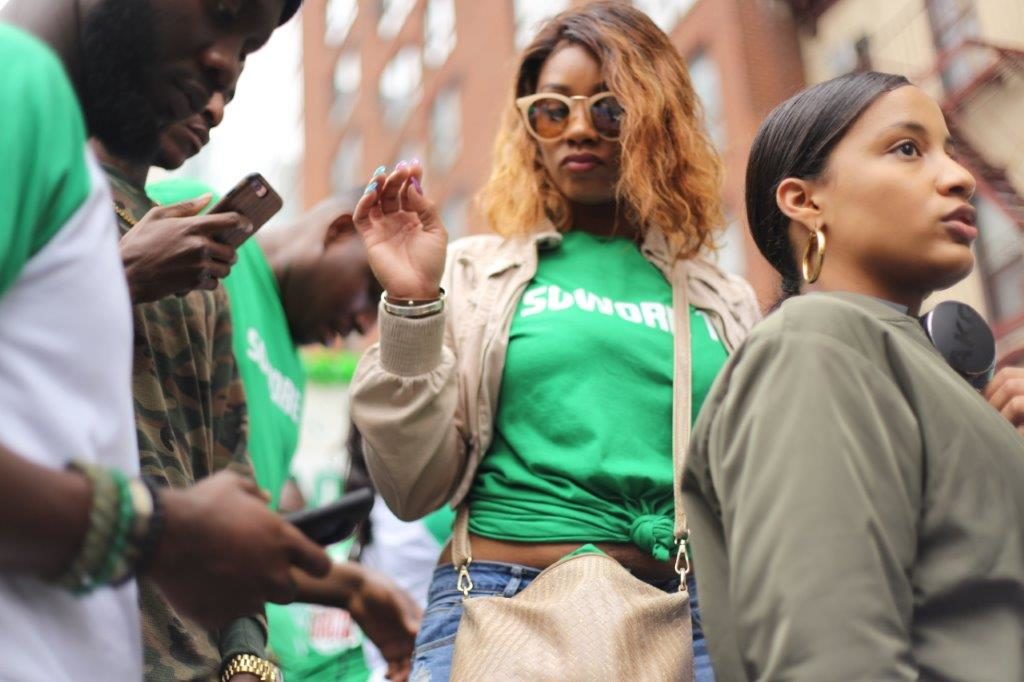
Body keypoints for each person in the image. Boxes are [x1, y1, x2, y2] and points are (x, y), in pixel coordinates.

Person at [348, 3, 760, 678]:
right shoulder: (476, 274)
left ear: (656, 120)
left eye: (608, 110)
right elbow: (409, 486)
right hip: (500, 608)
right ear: (529, 128)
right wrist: (414, 302)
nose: (577, 129)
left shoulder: (723, 298)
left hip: (692, 620)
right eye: (551, 109)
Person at [0, 0, 329, 680]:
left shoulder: (203, 267)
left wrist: (247, 656)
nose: (217, 83)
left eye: (245, 58)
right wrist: (124, 273)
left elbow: (227, 469)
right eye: (221, 14)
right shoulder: (24, 114)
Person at [682, 71, 1024, 681]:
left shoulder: (917, 373)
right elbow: (828, 658)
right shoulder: (812, 345)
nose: (960, 175)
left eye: (949, 149)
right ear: (805, 201)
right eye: (907, 149)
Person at [145, 104, 421, 681]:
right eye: (371, 294)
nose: (363, 322)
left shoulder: (292, 378)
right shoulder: (208, 228)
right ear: (343, 228)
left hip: (205, 651)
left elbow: (239, 546)